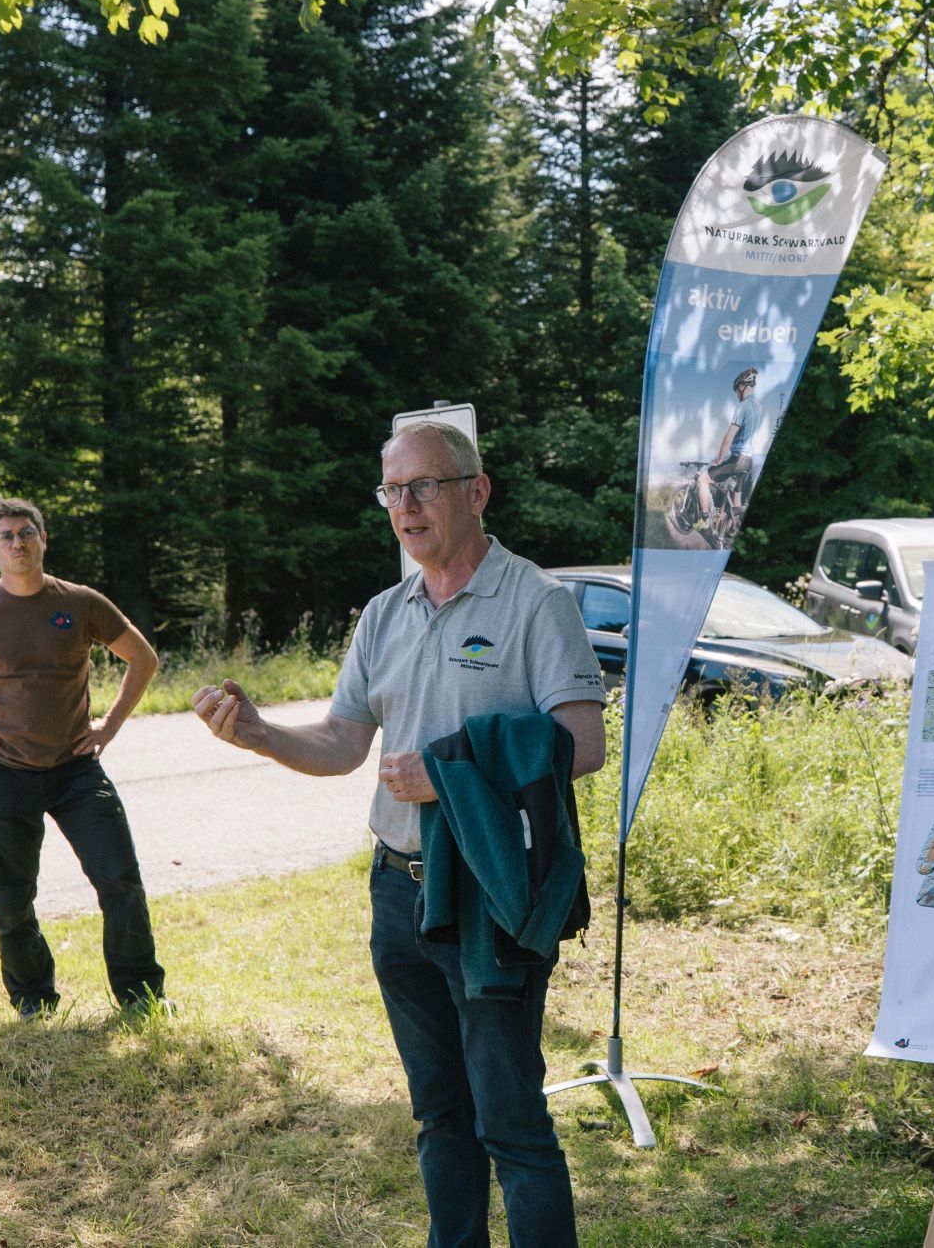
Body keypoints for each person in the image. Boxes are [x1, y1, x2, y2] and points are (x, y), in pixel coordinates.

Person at [192, 421, 606, 1248]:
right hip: (398, 891)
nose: (406, 507)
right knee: (438, 1114)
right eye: (392, 491)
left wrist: (454, 777)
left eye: (425, 486)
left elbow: (583, 742)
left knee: (510, 1119)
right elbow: (345, 743)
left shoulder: (536, 603)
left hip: (490, 891)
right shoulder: (384, 614)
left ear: (476, 491)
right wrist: (261, 734)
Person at [0, 496, 166, 1018]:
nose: (18, 543)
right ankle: (33, 1002)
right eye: (6, 537)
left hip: (76, 770)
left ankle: (140, 996)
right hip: (4, 773)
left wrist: (109, 725)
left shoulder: (82, 602)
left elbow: (143, 658)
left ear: (44, 539)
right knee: (10, 894)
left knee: (120, 880)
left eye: (26, 533)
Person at [693, 366, 764, 534]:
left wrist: (719, 459)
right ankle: (733, 528)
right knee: (736, 496)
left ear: (741, 387)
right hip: (748, 460)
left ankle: (704, 521)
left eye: (736, 390)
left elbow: (728, 437)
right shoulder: (757, 407)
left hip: (738, 460)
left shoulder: (743, 406)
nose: (736, 394)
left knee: (703, 479)